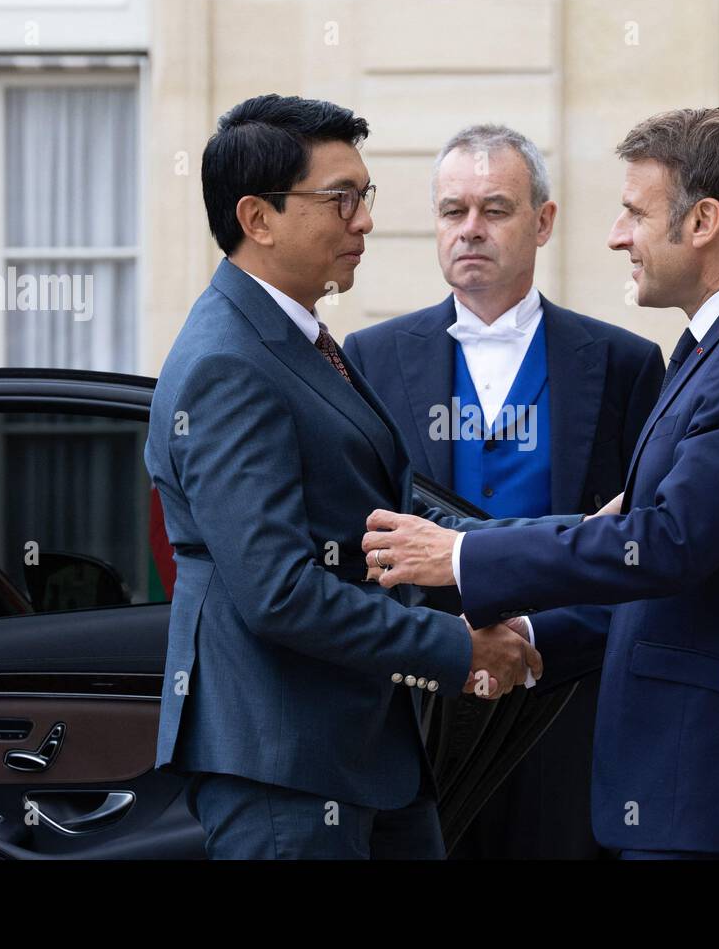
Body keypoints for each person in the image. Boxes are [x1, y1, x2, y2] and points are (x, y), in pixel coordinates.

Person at [361, 108, 719, 859]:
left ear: (702, 222)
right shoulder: (718, 350)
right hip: (686, 789)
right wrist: (530, 636)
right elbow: (655, 560)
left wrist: (462, 556)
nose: (617, 235)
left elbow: (665, 545)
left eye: (634, 211)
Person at [145, 94, 540, 859]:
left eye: (366, 196)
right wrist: (457, 651)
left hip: (363, 757)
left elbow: (390, 519)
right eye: (342, 199)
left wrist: (571, 541)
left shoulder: (297, 337)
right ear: (257, 218)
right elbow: (280, 593)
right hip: (284, 765)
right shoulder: (228, 361)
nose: (364, 220)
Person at [343, 124, 662, 859]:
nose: (471, 230)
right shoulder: (370, 359)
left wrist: (550, 642)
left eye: (496, 209)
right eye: (453, 211)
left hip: (565, 708)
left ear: (543, 221)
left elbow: (646, 552)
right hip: (422, 707)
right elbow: (362, 539)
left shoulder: (625, 364)